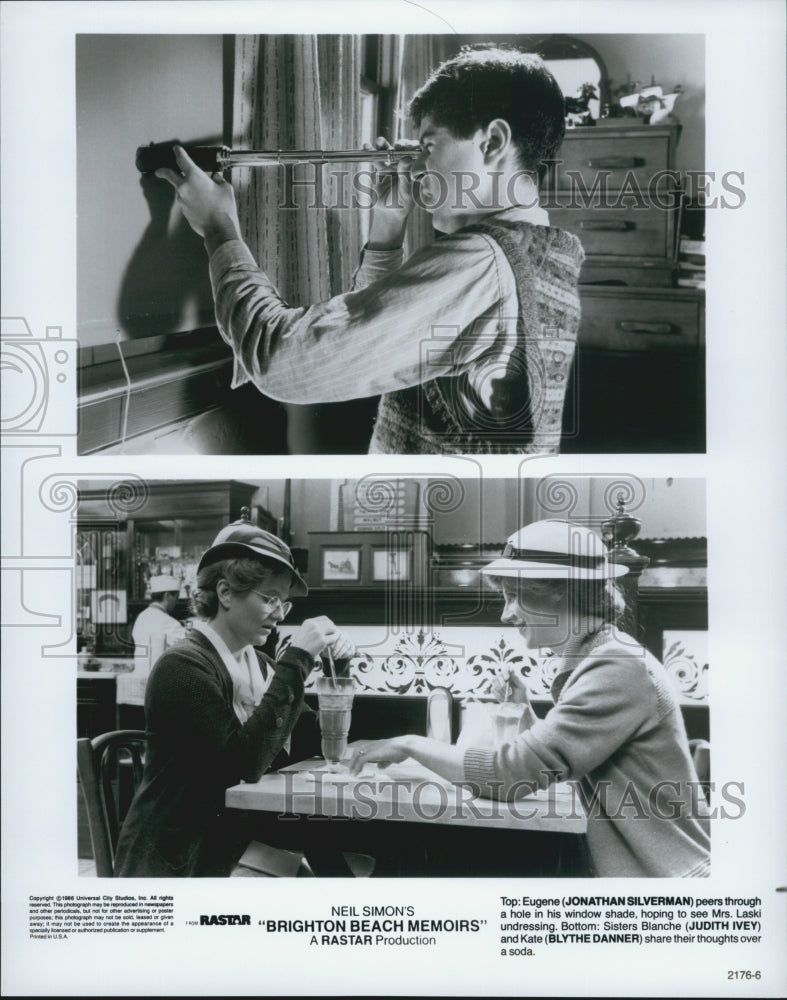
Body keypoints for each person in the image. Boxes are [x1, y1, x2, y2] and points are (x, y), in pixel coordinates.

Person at [155, 46, 584, 454]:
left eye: (428, 146)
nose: (416, 167)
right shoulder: (545, 256)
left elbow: (282, 362)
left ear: (492, 142)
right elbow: (386, 339)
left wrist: (217, 227)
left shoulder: (481, 263)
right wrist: (387, 225)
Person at [347, 520, 711, 878]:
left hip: (667, 885)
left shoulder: (616, 667)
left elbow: (510, 776)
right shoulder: (607, 656)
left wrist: (409, 744)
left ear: (558, 590)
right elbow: (564, 763)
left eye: (512, 596)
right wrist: (525, 715)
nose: (506, 614)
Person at [113, 519, 353, 877]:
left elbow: (306, 746)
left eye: (284, 604)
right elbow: (244, 762)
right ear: (225, 593)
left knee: (330, 858)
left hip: (236, 842)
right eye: (270, 598)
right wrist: (297, 659)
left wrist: (339, 667)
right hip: (179, 861)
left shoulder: (258, 663)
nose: (279, 613)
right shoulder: (182, 666)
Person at [130, 574, 186, 667]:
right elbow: (190, 647)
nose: (176, 602)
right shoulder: (166, 621)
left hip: (141, 673)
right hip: (159, 676)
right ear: (167, 596)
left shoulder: (141, 617)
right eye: (176, 597)